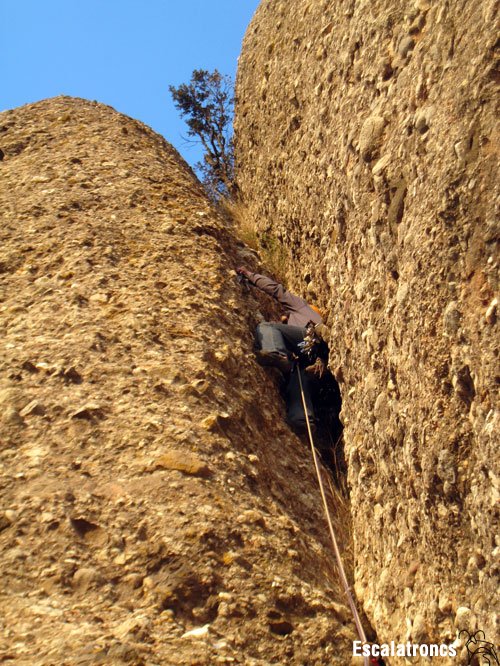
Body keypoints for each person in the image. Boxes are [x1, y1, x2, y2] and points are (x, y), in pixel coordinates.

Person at [236, 267, 329, 432]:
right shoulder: (296, 321)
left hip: (310, 337)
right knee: (298, 374)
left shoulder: (301, 308)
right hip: (312, 353)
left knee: (268, 327)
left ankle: (276, 353)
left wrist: (250, 275)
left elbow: (277, 290)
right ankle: (301, 418)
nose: (284, 317)